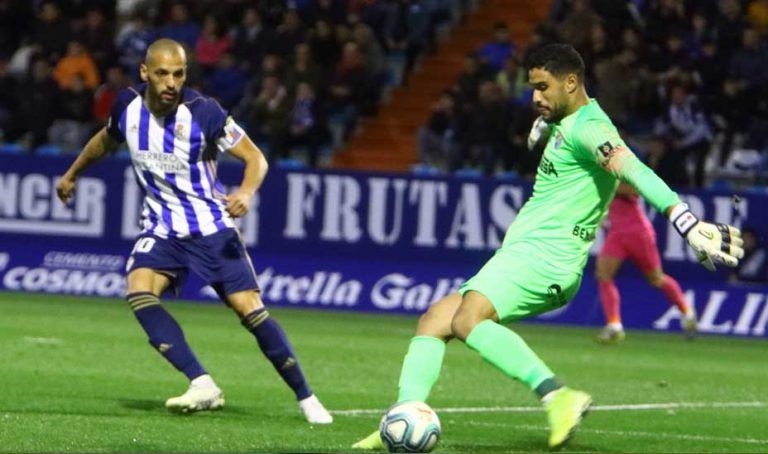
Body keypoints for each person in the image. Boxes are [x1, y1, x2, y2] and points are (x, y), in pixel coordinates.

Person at [352, 43, 743, 451]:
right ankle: (401, 418)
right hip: (524, 255)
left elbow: (634, 168)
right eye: (533, 88)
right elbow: (568, 131)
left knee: (468, 320)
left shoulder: (591, 128)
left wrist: (685, 221)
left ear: (571, 82)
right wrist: (545, 126)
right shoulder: (567, 118)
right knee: (435, 320)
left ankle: (557, 396)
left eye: (543, 87)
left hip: (546, 260)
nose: (535, 97)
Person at [55, 39, 332, 424]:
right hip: (163, 228)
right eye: (163, 73)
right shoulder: (126, 106)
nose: (171, 82)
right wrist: (72, 174)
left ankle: (307, 398)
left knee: (248, 310)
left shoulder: (205, 113)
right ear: (145, 73)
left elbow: (255, 157)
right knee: (139, 289)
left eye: (179, 74)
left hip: (212, 228)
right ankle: (202, 383)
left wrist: (247, 191)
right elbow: (106, 139)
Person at [595, 182, 697, 343]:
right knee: (603, 275)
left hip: (638, 233)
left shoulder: (617, 169)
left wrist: (607, 185)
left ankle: (687, 312)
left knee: (656, 279)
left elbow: (636, 188)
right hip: (617, 234)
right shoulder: (599, 174)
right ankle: (614, 325)